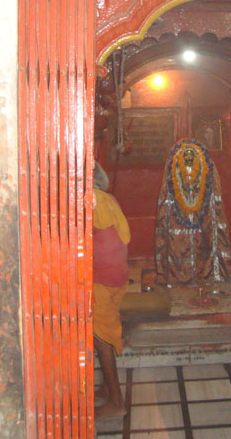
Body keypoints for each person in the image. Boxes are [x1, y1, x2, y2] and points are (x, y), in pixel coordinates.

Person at [155, 139, 231, 286]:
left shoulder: (206, 171)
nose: (189, 157)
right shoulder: (173, 174)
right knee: (178, 246)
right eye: (186, 155)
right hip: (179, 224)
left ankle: (205, 274)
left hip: (201, 222)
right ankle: (178, 275)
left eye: (191, 155)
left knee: (203, 245)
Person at [93, 161, 130, 418]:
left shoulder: (92, 202)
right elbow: (124, 238)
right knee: (101, 333)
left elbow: (103, 248)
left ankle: (116, 402)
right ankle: (107, 390)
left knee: (102, 338)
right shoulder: (107, 199)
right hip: (116, 277)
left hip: (103, 280)